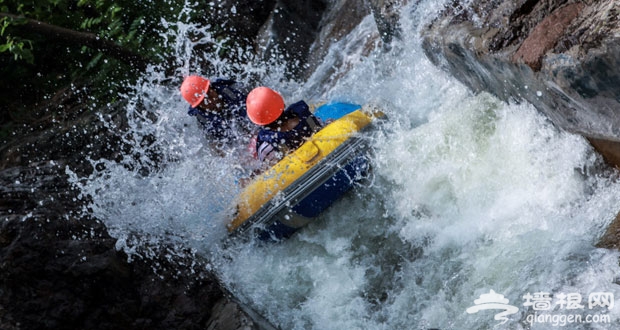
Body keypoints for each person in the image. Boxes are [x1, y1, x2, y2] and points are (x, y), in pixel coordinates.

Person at [246, 87, 323, 164]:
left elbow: (268, 170)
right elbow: (320, 126)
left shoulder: (267, 145)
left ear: (257, 121)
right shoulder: (303, 115)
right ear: (282, 104)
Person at [180, 75, 254, 151]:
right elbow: (215, 146)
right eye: (203, 102)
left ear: (211, 87)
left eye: (209, 94)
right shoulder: (203, 119)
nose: (210, 101)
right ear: (199, 106)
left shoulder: (233, 90)